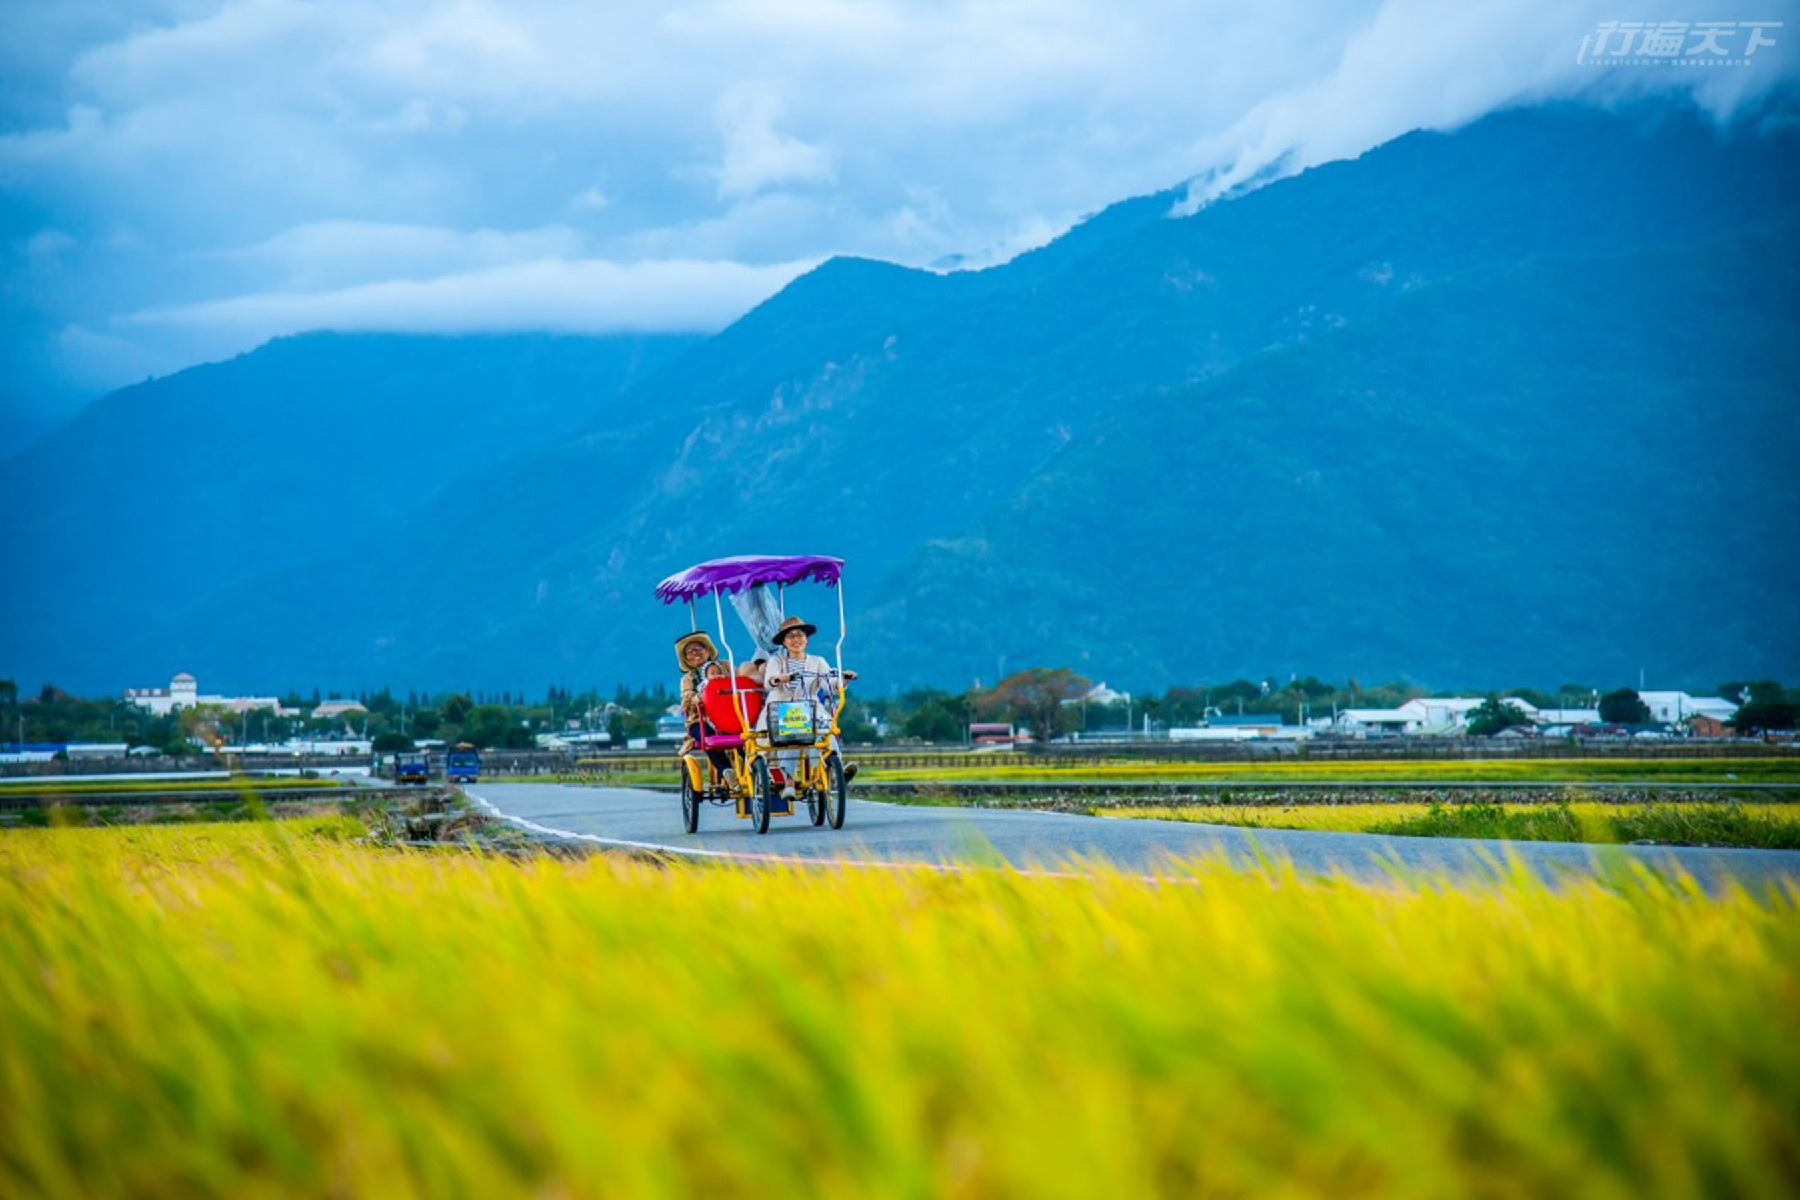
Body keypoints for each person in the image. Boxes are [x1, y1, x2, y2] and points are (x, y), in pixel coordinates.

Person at [762, 616, 857, 800]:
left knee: (825, 729)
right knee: (794, 730)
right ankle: (789, 780)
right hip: (781, 708)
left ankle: (835, 767)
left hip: (811, 708)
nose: (796, 640)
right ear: (784, 641)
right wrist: (781, 679)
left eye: (800, 635)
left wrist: (843, 679)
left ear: (806, 639)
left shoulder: (817, 661)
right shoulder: (777, 661)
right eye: (791, 636)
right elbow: (770, 682)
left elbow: (829, 682)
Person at [674, 631, 734, 786]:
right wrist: (698, 697)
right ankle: (726, 771)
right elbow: (686, 699)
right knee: (706, 735)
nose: (695, 653)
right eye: (690, 652)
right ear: (686, 659)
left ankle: (752, 768)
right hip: (700, 719)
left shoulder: (724, 666)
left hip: (729, 716)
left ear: (707, 650)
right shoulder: (688, 679)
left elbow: (738, 680)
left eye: (699, 648)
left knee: (744, 736)